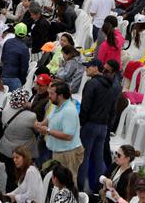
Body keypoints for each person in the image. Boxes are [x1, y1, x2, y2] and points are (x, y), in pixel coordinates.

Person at [78, 58, 120, 192]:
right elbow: (114, 110)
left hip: (90, 124)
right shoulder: (113, 86)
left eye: (88, 67)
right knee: (98, 158)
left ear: (96, 68)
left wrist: (81, 123)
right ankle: (99, 189)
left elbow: (85, 106)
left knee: (84, 157)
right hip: (103, 127)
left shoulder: (92, 84)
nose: (86, 70)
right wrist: (108, 125)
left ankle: (80, 189)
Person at [35, 82, 83, 183]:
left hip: (69, 153)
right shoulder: (56, 105)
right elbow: (49, 119)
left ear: (60, 96)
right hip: (58, 151)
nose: (49, 96)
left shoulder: (69, 110)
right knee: (58, 183)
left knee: (68, 183)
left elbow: (68, 136)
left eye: (52, 94)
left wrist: (47, 131)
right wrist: (41, 124)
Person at [0, 89, 38, 191]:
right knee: (24, 177)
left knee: (11, 176)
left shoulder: (5, 111)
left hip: (7, 150)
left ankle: (10, 195)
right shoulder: (31, 116)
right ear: (24, 101)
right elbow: (36, 131)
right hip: (25, 151)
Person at [1, 23, 31, 92]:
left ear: (15, 31)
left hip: (4, 75)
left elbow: (3, 59)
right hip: (15, 79)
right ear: (25, 34)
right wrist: (22, 81)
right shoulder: (24, 48)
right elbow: (24, 68)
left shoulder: (8, 42)